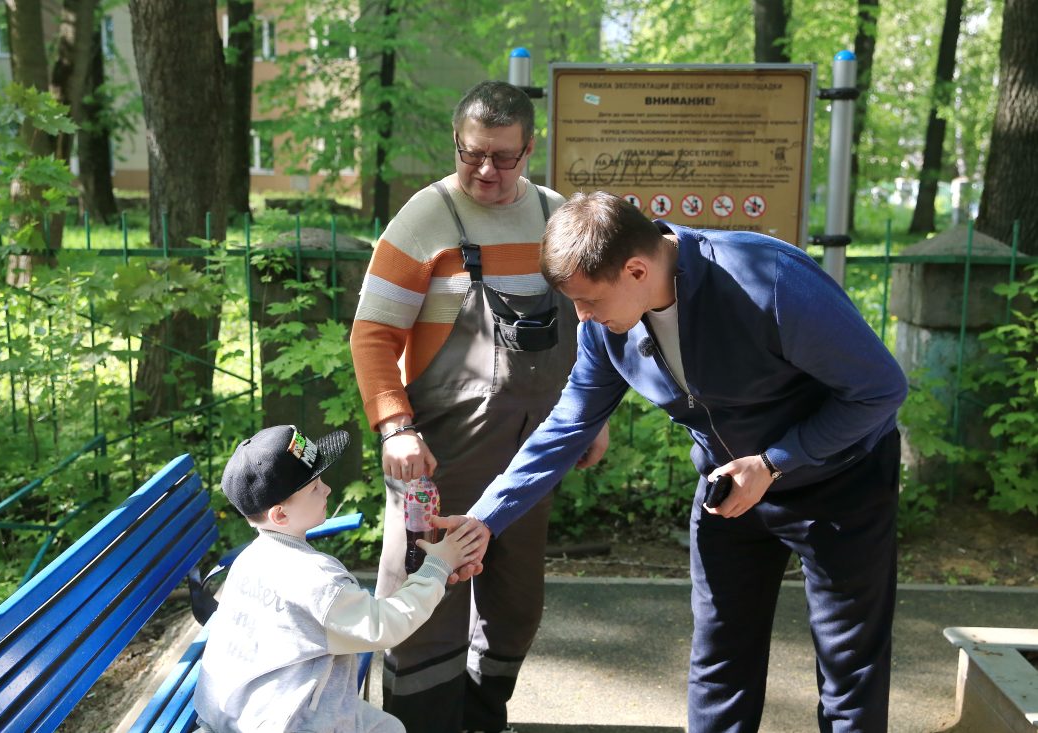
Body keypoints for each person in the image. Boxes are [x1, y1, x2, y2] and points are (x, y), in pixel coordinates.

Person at [462, 191, 909, 732]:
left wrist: (774, 462)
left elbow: (880, 389)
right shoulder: (606, 327)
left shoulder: (766, 279)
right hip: (730, 491)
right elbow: (569, 425)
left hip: (841, 480)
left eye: (588, 301)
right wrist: (485, 520)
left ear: (635, 270)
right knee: (720, 659)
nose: (582, 317)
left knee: (848, 665)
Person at [349, 81, 609, 733]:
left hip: (532, 455)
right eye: (472, 154)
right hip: (438, 456)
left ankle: (482, 718)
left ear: (529, 149)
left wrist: (594, 417)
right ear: (457, 144)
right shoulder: (424, 218)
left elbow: (592, 322)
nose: (486, 170)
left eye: (503, 156)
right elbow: (372, 334)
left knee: (515, 605)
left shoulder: (556, 216)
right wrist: (395, 426)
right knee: (425, 605)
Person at [193, 424, 483, 733]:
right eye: (314, 487)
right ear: (280, 515)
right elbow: (384, 625)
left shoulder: (248, 561)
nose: (327, 489)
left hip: (235, 711)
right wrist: (438, 565)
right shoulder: (317, 580)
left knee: (389, 727)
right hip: (289, 723)